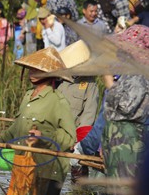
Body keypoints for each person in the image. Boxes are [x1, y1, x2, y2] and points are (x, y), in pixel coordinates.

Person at [0, 47, 76, 195]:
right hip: (25, 166)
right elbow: (17, 127)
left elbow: (70, 138)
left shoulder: (58, 101)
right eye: (31, 69)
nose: (31, 73)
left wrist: (45, 136)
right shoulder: (28, 96)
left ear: (49, 74)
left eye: (38, 70)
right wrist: (0, 140)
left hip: (49, 170)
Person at [101, 25, 149, 179]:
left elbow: (127, 107)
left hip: (130, 146)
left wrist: (109, 83)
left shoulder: (138, 75)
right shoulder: (131, 73)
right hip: (124, 143)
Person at [57, 40, 100, 128]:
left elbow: (89, 115)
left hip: (73, 135)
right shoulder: (59, 78)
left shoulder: (90, 84)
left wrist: (78, 139)